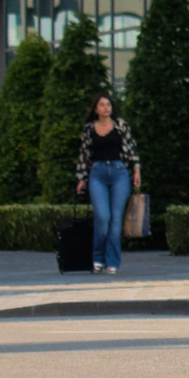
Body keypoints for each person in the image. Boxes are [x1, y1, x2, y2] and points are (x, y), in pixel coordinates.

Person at [75, 94, 141, 274]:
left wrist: (136, 170)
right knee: (102, 217)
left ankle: (112, 261)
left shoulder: (120, 126)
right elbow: (84, 154)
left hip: (120, 173)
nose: (106, 108)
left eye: (108, 104)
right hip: (97, 174)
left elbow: (132, 147)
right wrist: (82, 177)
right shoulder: (89, 129)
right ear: (96, 109)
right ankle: (97, 257)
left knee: (115, 219)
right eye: (102, 105)